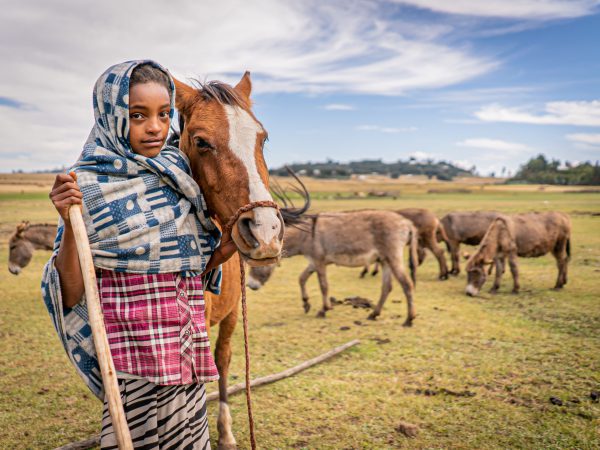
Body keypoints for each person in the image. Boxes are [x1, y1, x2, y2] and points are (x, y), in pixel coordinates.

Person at [42, 60, 236, 449]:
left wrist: (223, 250)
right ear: (111, 115)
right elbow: (72, 293)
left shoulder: (181, 178)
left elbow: (185, 273)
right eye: (137, 115)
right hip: (132, 363)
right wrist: (68, 220)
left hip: (185, 352)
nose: (155, 127)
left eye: (164, 115)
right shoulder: (88, 187)